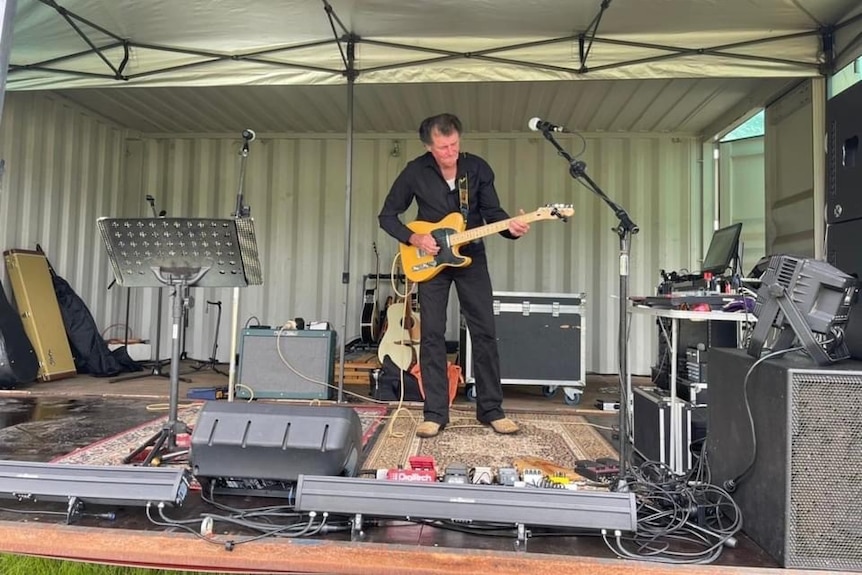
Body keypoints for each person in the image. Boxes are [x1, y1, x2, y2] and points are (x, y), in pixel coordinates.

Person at [378, 113, 530, 438]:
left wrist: (512, 229)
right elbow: (387, 216)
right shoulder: (414, 172)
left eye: (454, 145)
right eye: (443, 147)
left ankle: (492, 410)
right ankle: (434, 413)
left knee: (485, 331)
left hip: (470, 256)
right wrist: (415, 238)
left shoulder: (476, 168)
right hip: (429, 261)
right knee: (431, 335)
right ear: (428, 147)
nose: (450, 152)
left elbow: (493, 214)